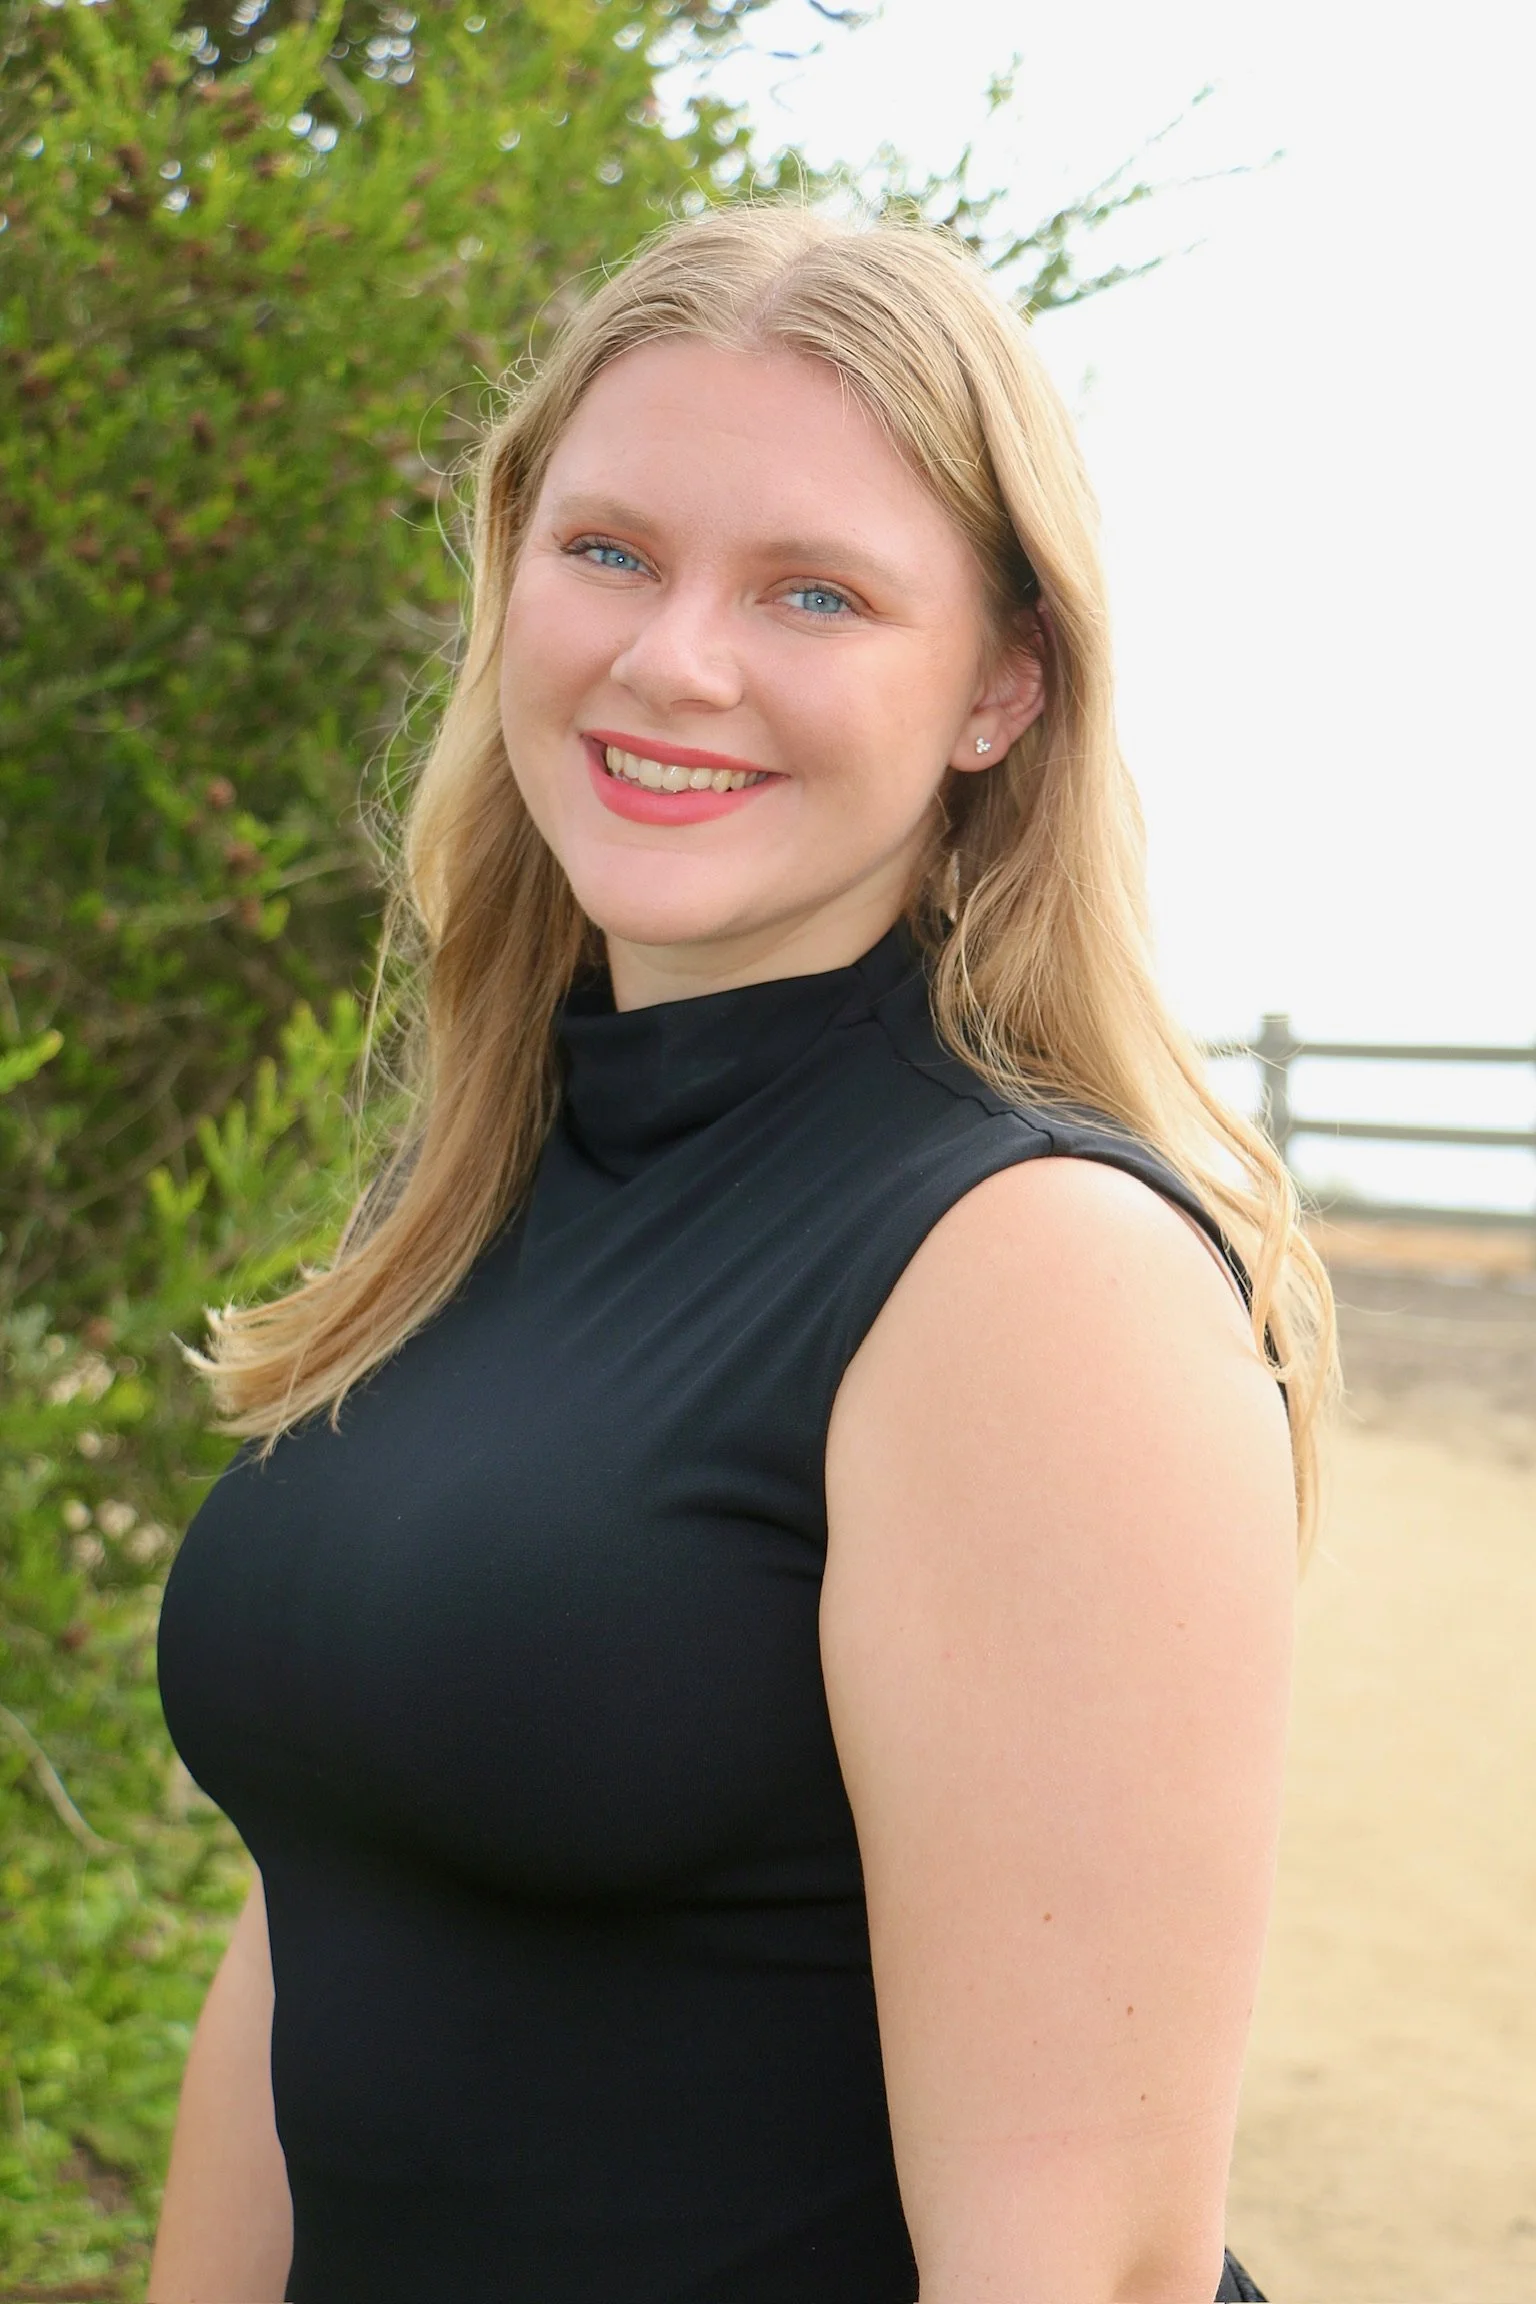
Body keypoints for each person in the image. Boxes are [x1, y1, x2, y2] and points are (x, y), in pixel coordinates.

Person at [149, 201, 1334, 2304]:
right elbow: (327, 1908)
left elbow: (1097, 2271)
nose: (671, 657)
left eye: (815, 590)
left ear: (997, 695)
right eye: (608, 549)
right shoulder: (480, 1187)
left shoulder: (1036, 1277)